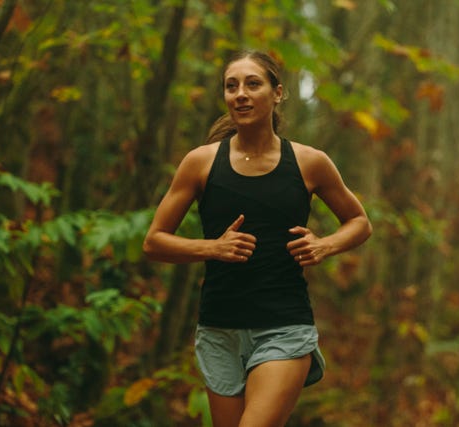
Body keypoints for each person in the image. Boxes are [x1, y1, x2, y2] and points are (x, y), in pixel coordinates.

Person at [143, 50, 372, 427]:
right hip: (219, 328)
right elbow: (154, 242)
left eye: (253, 84)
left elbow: (359, 222)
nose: (241, 94)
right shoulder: (200, 163)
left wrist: (324, 244)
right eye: (231, 86)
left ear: (277, 93)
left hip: (283, 325)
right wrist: (212, 247)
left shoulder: (308, 161)